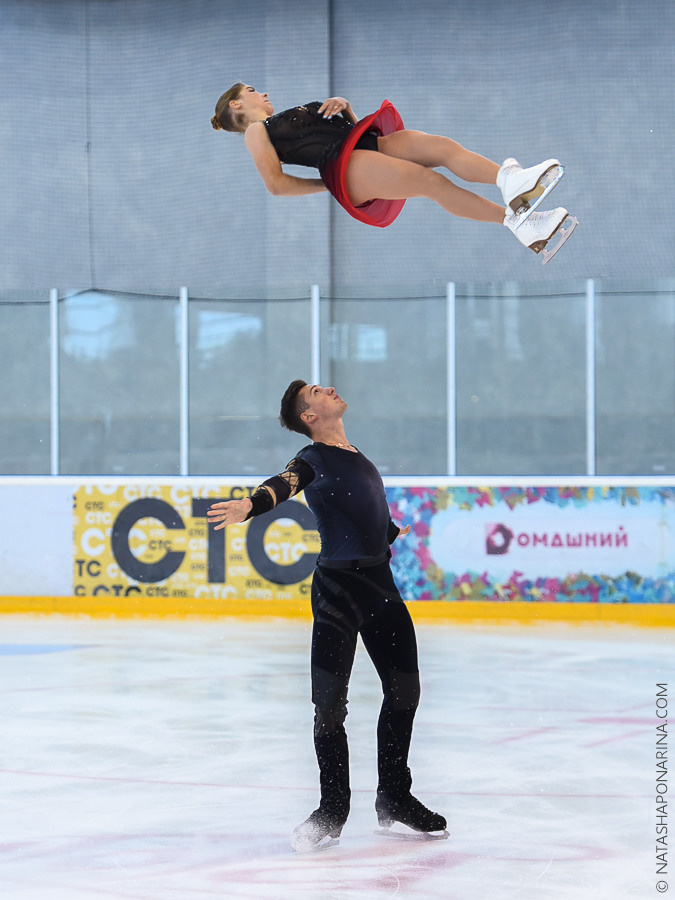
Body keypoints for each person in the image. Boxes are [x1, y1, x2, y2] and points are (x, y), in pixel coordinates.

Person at [206, 380, 448, 851]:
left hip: (381, 588)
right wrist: (251, 505)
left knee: (404, 691)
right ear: (309, 416)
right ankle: (332, 809)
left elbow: (365, 516)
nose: (329, 389)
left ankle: (395, 796)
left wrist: (387, 531)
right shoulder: (312, 459)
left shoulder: (358, 455)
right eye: (317, 391)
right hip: (338, 592)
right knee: (330, 707)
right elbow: (284, 483)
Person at [211, 83, 577, 263]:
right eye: (253, 90)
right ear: (237, 104)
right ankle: (516, 223)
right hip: (345, 167)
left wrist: (347, 109)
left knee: (442, 148)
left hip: (360, 144)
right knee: (431, 183)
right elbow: (275, 185)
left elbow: (338, 132)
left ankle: (511, 181)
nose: (264, 92)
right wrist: (326, 186)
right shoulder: (257, 132)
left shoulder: (277, 121)